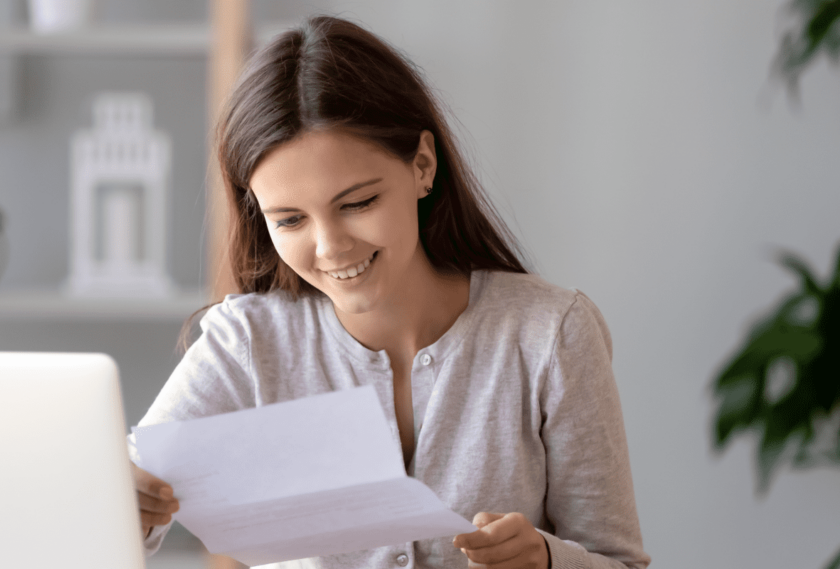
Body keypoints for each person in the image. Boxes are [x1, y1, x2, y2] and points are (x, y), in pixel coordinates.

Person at [128, 15, 650, 569]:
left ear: (422, 165)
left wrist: (547, 559)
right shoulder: (247, 343)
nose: (329, 247)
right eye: (289, 220)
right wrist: (126, 504)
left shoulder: (550, 334)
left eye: (357, 204)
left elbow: (619, 562)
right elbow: (117, 514)